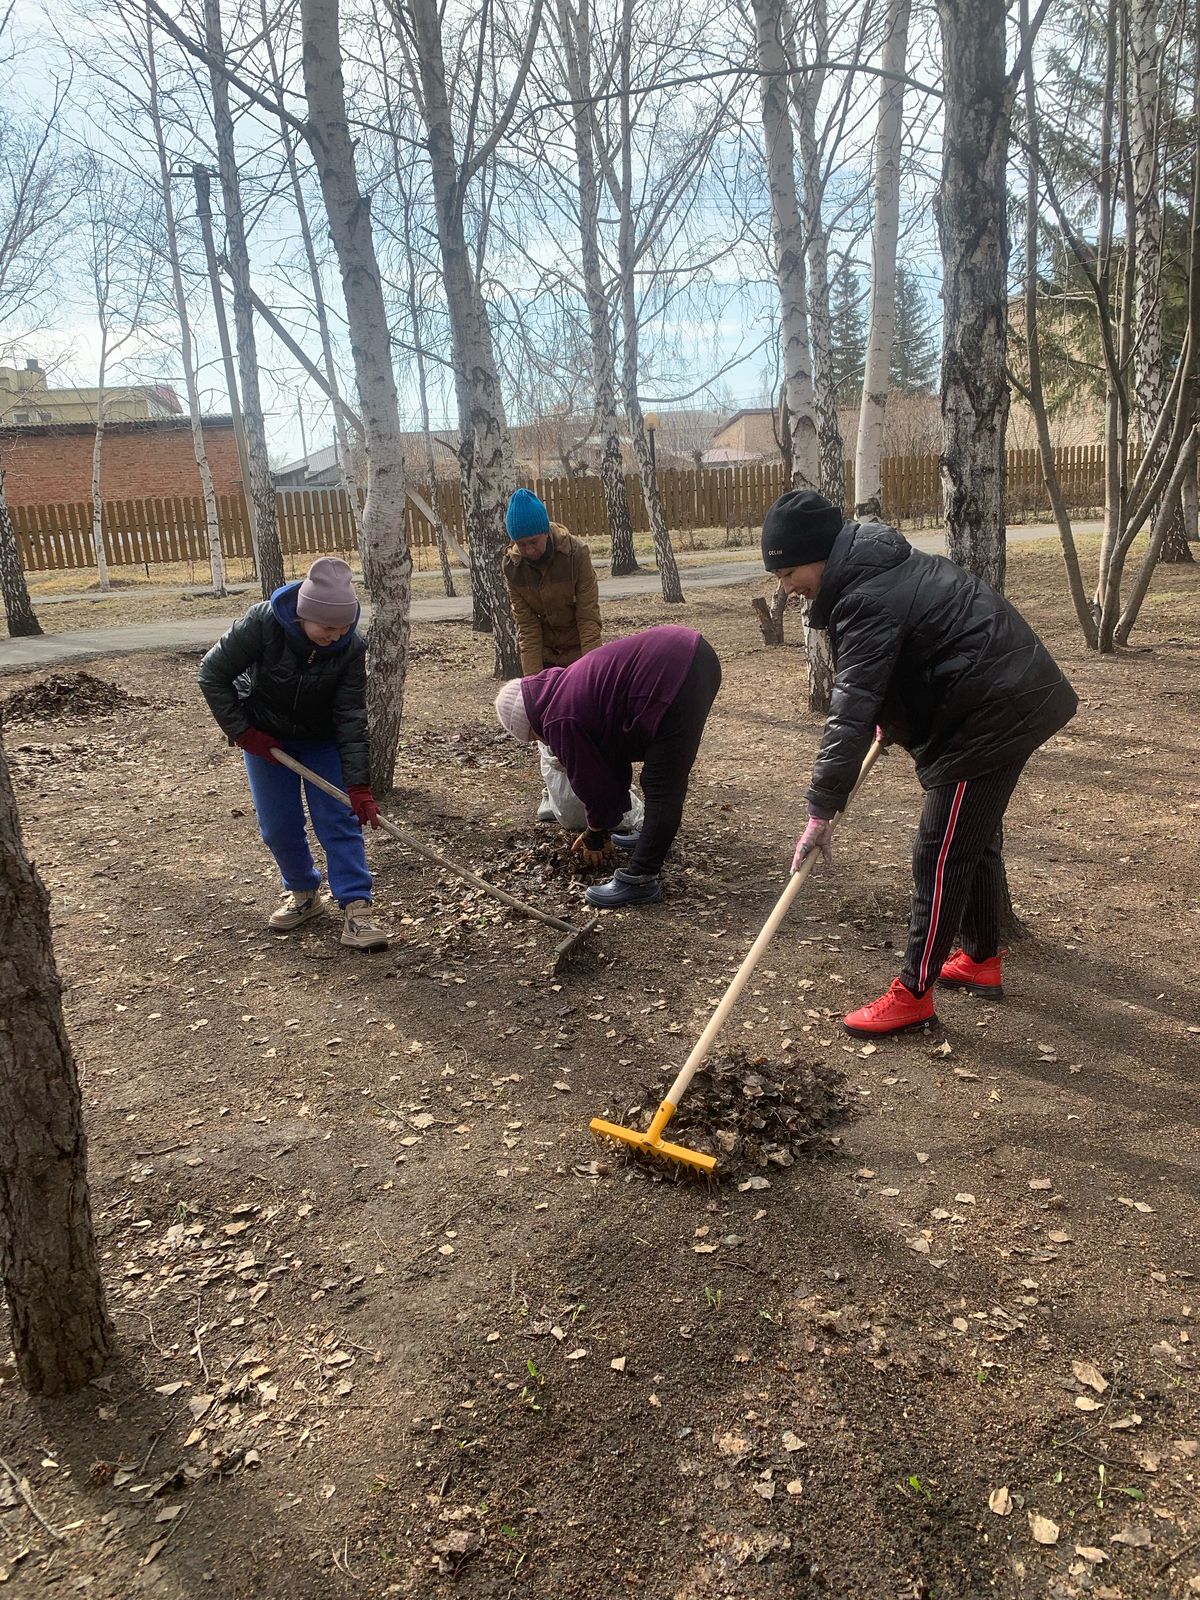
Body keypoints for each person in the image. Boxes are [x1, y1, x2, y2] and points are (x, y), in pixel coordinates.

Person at [763, 489, 1077, 1036]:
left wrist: (821, 809)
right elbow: (914, 654)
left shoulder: (865, 596)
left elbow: (850, 706)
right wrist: (894, 715)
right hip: (1001, 697)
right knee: (973, 839)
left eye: (789, 573)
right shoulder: (877, 570)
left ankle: (912, 994)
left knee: (940, 852)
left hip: (989, 714)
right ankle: (980, 959)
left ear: (820, 555)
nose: (787, 588)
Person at [198, 556, 389, 952]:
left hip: (322, 741)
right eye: (327, 628)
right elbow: (212, 673)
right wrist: (244, 732)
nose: (335, 636)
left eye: (343, 628)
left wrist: (358, 785)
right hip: (265, 739)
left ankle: (357, 907)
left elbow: (351, 716)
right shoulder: (262, 624)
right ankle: (303, 893)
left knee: (338, 821)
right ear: (303, 615)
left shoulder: (350, 647)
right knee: (278, 825)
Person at [493, 625, 722, 909]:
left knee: (661, 782)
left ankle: (640, 879)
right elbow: (610, 760)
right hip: (690, 656)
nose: (541, 741)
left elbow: (592, 781)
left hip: (674, 671)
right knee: (661, 773)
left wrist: (595, 834)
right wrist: (601, 827)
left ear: (529, 724)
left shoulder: (559, 718)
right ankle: (654, 839)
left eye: (533, 737)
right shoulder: (562, 690)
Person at [502, 487, 603, 822]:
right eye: (521, 544)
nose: (528, 550)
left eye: (533, 542)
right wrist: (533, 684)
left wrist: (592, 672)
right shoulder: (513, 566)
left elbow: (588, 616)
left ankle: (599, 786)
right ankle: (552, 791)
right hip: (545, 652)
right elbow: (527, 627)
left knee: (585, 720)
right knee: (544, 722)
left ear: (545, 531)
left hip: (578, 650)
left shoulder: (576, 554)